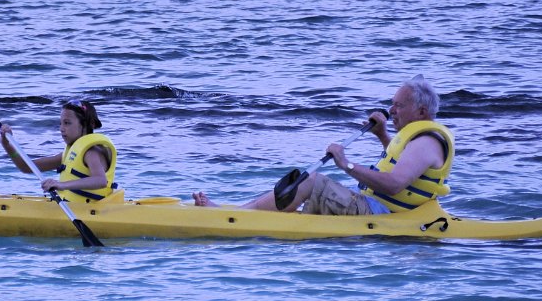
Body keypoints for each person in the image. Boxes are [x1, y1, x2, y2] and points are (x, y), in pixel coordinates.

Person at [193, 76, 454, 215]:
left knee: (310, 180)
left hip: (378, 211)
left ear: (421, 111)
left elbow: (395, 184)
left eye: (399, 105)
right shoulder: (418, 139)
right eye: (392, 104)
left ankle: (238, 217)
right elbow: (400, 167)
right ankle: (239, 211)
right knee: (301, 184)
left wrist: (346, 164)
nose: (391, 110)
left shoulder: (426, 142)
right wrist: (382, 135)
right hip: (373, 202)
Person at [0, 99, 118, 202]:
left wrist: (61, 185)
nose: (61, 128)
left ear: (88, 124)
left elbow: (100, 180)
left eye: (67, 123)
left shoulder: (91, 152)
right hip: (73, 206)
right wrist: (7, 145)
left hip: (92, 211)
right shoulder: (70, 154)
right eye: (60, 123)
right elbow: (26, 167)